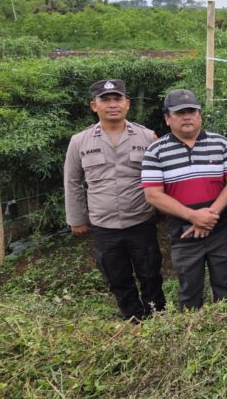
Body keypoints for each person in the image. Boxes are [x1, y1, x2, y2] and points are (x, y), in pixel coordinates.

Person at [64, 78, 166, 321]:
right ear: (93, 105)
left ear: (127, 103)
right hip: (104, 225)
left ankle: (159, 318)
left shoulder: (147, 137)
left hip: (140, 220)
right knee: (117, 276)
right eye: (105, 100)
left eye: (117, 99)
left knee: (150, 272)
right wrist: (76, 219)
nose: (112, 104)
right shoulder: (79, 142)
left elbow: (161, 178)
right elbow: (73, 181)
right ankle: (133, 318)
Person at [141, 89, 227, 310]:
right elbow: (153, 194)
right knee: (189, 289)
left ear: (200, 115)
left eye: (192, 111)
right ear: (168, 118)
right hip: (183, 229)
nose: (187, 116)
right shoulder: (156, 151)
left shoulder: (221, 143)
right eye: (179, 112)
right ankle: (193, 331)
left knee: (226, 286)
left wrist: (210, 215)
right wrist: (193, 216)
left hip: (220, 226)